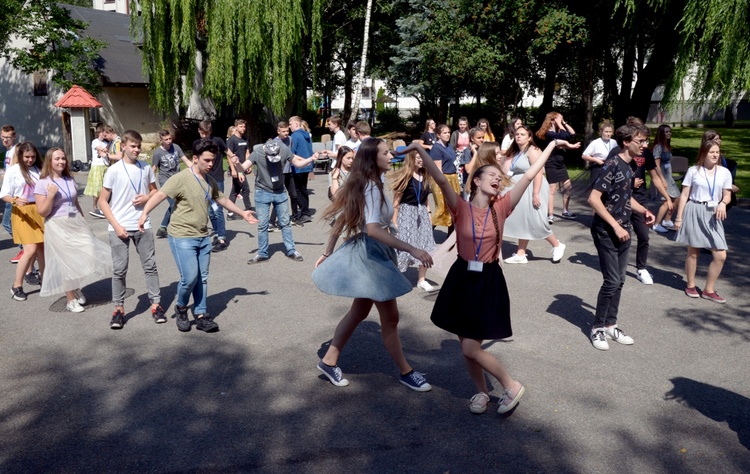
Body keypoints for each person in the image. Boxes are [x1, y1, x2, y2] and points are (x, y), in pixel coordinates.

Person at [409, 138, 566, 415]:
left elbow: (530, 175)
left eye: (499, 176)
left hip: (487, 280)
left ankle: (511, 385)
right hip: (462, 277)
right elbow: (441, 180)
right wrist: (420, 149)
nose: (497, 179)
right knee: (466, 344)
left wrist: (552, 145)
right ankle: (481, 392)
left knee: (471, 347)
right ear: (477, 181)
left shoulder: (502, 207)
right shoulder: (461, 207)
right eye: (491, 175)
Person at [312, 138, 433, 391]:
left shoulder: (371, 183)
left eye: (390, 153)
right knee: (390, 317)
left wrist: (327, 251)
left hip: (374, 253)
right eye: (386, 153)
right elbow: (374, 230)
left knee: (360, 311)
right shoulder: (370, 186)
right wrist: (412, 248)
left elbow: (344, 217)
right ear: (372, 159)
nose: (391, 157)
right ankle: (406, 371)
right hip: (371, 254)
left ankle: (329, 360)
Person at [138, 138, 258, 333]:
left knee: (202, 277)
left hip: (202, 236)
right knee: (190, 277)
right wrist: (144, 214)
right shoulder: (180, 179)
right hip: (181, 236)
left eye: (213, 160)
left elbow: (223, 199)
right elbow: (160, 195)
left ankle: (201, 314)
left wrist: (243, 213)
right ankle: (182, 307)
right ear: (195, 158)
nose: (211, 164)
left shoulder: (209, 181)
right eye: (207, 160)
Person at [587, 124, 656, 351]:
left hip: (624, 228)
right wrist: (615, 226)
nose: (645, 146)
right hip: (607, 230)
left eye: (646, 142)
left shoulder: (630, 167)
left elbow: (625, 198)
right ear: (626, 142)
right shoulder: (612, 164)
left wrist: (642, 210)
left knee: (621, 281)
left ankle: (610, 324)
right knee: (612, 280)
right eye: (641, 142)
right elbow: (594, 200)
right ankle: (597, 328)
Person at [99, 130, 164, 329]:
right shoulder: (114, 170)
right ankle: (118, 309)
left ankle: (156, 305)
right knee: (119, 269)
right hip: (119, 227)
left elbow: (155, 191)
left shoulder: (146, 168)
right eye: (133, 146)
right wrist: (117, 226)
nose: (136, 149)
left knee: (150, 266)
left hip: (142, 224)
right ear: (124, 147)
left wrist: (146, 198)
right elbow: (102, 201)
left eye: (138, 146)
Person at [34, 148, 112, 313]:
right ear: (49, 161)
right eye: (57, 159)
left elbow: (75, 203)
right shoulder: (43, 183)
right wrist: (50, 195)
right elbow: (42, 212)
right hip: (57, 225)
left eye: (63, 158)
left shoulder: (69, 178)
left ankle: (75, 287)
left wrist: (83, 221)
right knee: (67, 263)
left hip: (75, 222)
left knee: (88, 254)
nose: (61, 161)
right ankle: (70, 299)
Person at [232, 139, 317, 263]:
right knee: (262, 225)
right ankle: (262, 253)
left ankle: (291, 250)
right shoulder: (258, 152)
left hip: (280, 191)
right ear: (265, 151)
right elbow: (243, 168)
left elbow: (298, 164)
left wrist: (311, 158)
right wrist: (237, 163)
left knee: (285, 223)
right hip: (262, 191)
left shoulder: (284, 149)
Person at [503, 126, 574, 264]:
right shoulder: (517, 151)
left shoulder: (533, 150)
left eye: (522, 134)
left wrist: (536, 194)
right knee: (525, 220)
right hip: (523, 189)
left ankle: (557, 245)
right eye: (517, 134)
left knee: (536, 220)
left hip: (532, 188)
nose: (518, 136)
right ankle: (521, 253)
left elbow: (539, 172)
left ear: (529, 137)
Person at [674, 140, 733, 304]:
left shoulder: (724, 172)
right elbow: (684, 195)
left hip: (714, 213)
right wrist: (679, 218)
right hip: (695, 209)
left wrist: (723, 203)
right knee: (693, 252)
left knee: (720, 254)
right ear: (703, 153)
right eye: (712, 152)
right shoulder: (693, 171)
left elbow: (727, 194)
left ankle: (709, 290)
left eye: (717, 152)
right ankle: (691, 285)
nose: (715, 155)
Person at [1, 142, 45, 301]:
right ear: (20, 156)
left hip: (39, 210)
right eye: (27, 157)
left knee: (42, 247)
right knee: (30, 249)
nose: (30, 160)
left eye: (33, 156)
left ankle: (45, 281)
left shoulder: (39, 169)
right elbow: (4, 194)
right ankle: (16, 286)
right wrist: (14, 200)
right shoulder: (13, 171)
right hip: (22, 212)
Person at [390, 150, 436, 291]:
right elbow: (396, 202)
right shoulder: (405, 177)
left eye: (423, 158)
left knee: (425, 245)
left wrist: (428, 214)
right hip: (406, 212)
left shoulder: (426, 176)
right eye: (418, 158)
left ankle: (421, 279)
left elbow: (426, 199)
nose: (421, 160)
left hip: (421, 212)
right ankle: (397, 277)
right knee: (404, 245)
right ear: (411, 159)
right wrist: (394, 222)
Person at [193, 120, 230, 251]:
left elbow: (229, 153)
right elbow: (195, 162)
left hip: (218, 179)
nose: (205, 136)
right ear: (199, 131)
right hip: (204, 179)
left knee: (217, 209)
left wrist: (236, 167)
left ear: (210, 131)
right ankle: (216, 232)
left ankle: (222, 238)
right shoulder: (197, 144)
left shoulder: (217, 141)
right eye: (202, 133)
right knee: (210, 210)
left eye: (207, 133)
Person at [536, 112, 576, 222]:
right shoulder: (548, 134)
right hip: (551, 163)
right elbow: (566, 136)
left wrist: (564, 123)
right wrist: (560, 123)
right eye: (559, 119)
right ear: (553, 120)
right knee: (552, 190)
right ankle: (550, 215)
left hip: (560, 163)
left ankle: (565, 211)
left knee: (568, 188)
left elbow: (572, 134)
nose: (561, 121)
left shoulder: (557, 131)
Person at [152, 129, 190, 239]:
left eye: (170, 138)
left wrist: (197, 171)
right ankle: (181, 227)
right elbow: (153, 168)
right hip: (165, 181)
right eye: (166, 139)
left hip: (177, 180)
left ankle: (162, 228)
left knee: (178, 202)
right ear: (161, 140)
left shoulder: (176, 147)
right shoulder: (158, 153)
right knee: (174, 203)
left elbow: (186, 161)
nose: (169, 141)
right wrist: (148, 183)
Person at [430, 124, 460, 233]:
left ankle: (450, 235)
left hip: (453, 178)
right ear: (438, 135)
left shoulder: (448, 146)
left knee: (453, 208)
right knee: (441, 208)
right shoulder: (436, 148)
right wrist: (444, 185)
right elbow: (438, 170)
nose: (448, 135)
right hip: (443, 179)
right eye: (444, 133)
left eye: (448, 132)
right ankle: (427, 232)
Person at [653, 125, 682, 232]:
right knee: (666, 201)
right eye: (666, 132)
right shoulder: (658, 147)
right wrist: (662, 179)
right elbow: (656, 166)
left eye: (670, 131)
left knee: (677, 198)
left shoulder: (666, 146)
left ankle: (667, 220)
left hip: (669, 177)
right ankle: (656, 224)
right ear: (661, 133)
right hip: (663, 177)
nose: (669, 133)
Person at [2, 124, 24, 264]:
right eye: (3, 137)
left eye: (8, 137)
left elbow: (13, 174)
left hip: (14, 194)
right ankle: (26, 248)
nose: (5, 140)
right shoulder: (7, 152)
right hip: (9, 193)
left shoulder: (15, 150)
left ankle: (25, 248)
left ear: (14, 137)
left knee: (7, 223)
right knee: (10, 223)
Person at [226, 119, 253, 220]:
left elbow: (247, 152)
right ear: (236, 127)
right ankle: (249, 209)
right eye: (241, 126)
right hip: (236, 168)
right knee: (246, 189)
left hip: (243, 166)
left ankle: (230, 213)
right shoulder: (231, 140)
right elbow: (229, 156)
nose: (243, 128)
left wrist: (249, 165)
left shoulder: (244, 139)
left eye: (244, 127)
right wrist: (233, 169)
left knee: (235, 190)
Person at [289, 116, 315, 224]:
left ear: (296, 124)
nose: (289, 126)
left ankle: (304, 212)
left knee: (296, 191)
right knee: (303, 189)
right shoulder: (306, 135)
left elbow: (291, 152)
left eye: (290, 124)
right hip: (307, 164)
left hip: (298, 165)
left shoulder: (295, 136)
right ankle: (306, 212)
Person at [83, 123, 110, 218]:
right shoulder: (95, 141)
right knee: (97, 189)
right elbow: (100, 149)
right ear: (99, 132)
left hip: (105, 166)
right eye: (103, 132)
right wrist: (106, 150)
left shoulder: (107, 143)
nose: (105, 134)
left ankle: (102, 207)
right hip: (97, 166)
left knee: (106, 188)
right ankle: (95, 206)